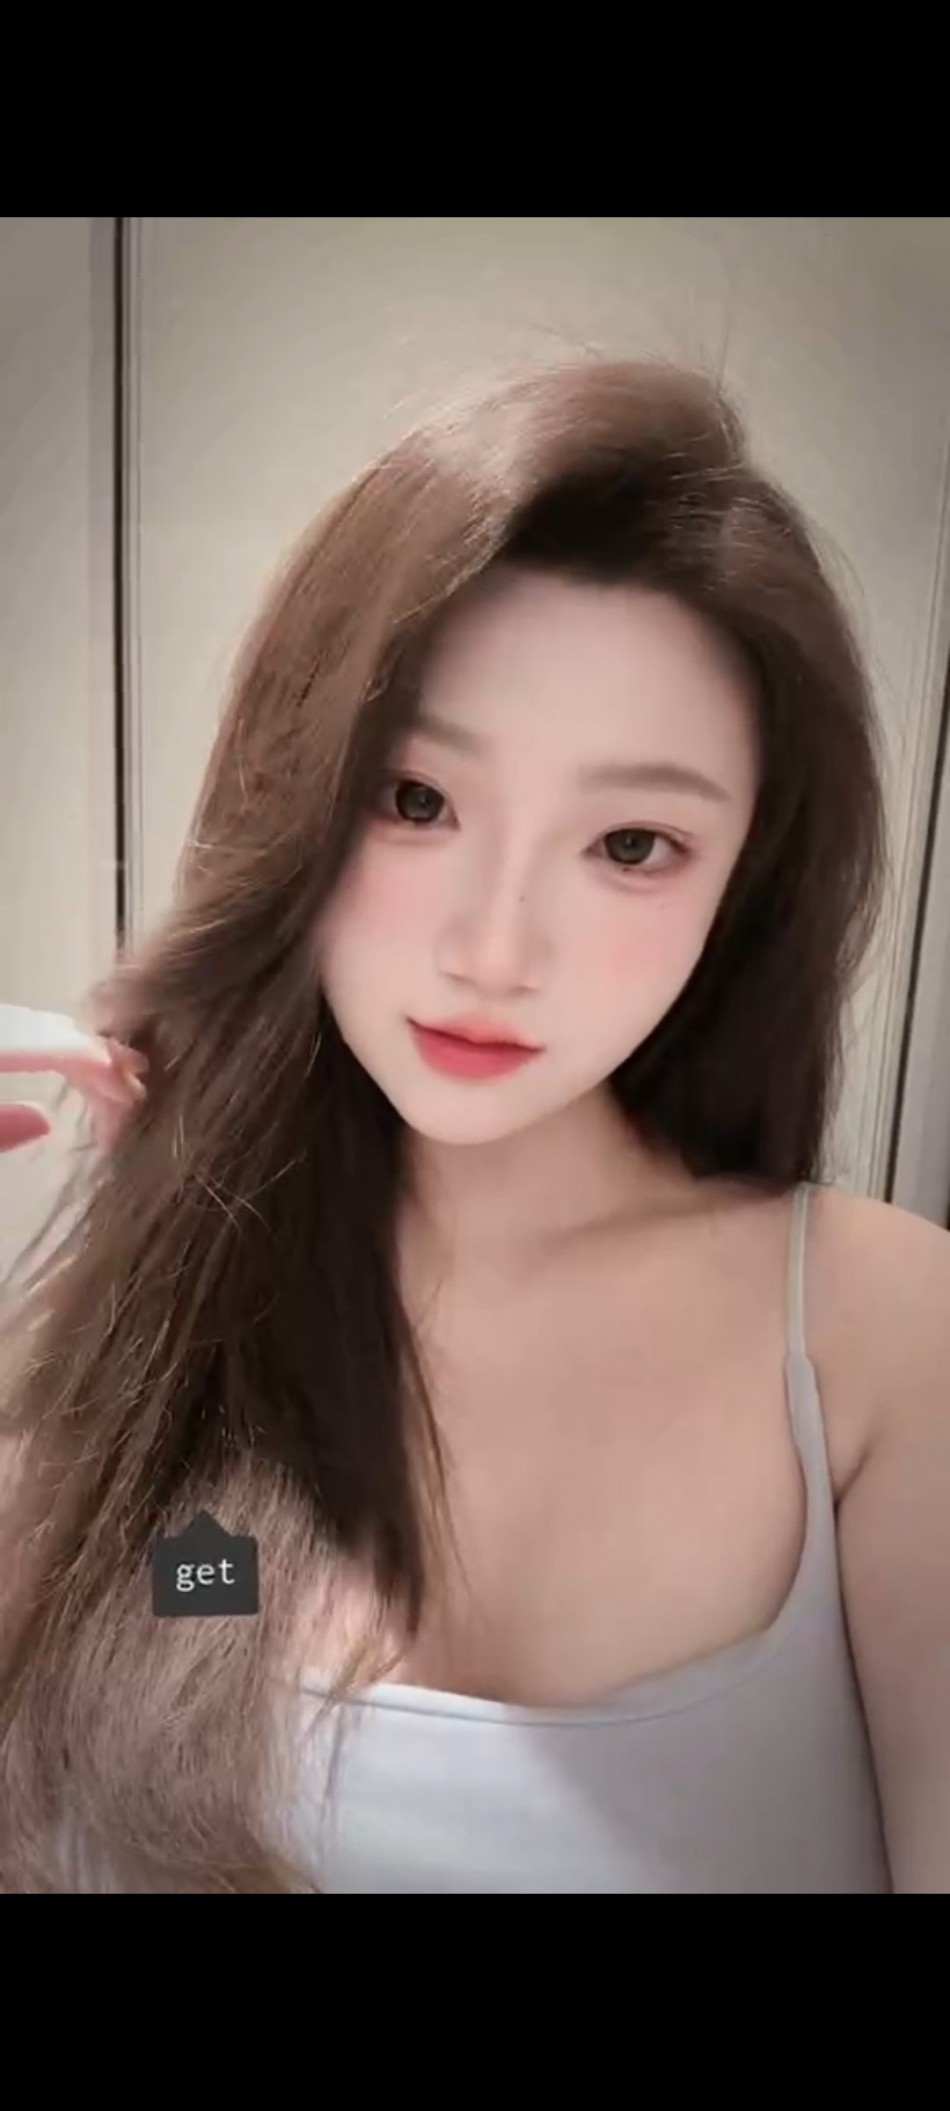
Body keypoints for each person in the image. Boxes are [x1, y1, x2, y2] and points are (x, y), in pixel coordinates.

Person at [1, 356, 948, 1894]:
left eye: (628, 843)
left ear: (744, 884)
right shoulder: (177, 1311)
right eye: (415, 801)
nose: (493, 950)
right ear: (295, 798)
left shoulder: (878, 1340)